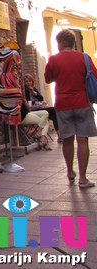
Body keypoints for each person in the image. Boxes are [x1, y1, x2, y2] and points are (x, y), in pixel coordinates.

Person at [44, 29, 97, 188]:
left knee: (67, 139)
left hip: (62, 103)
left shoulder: (53, 59)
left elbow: (48, 79)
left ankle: (70, 172)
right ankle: (83, 178)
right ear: (73, 42)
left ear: (59, 43)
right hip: (82, 102)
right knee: (82, 140)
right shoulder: (85, 58)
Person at [24, 74, 61, 142]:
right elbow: (28, 103)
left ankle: (59, 135)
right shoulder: (24, 91)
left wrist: (33, 92)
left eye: (30, 81)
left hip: (38, 108)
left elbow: (41, 98)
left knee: (54, 112)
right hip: (32, 110)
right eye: (26, 81)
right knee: (50, 112)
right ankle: (40, 134)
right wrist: (38, 103)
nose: (28, 83)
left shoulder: (33, 89)